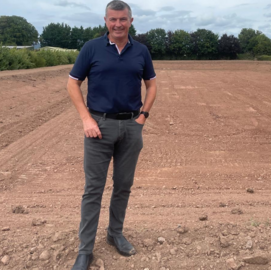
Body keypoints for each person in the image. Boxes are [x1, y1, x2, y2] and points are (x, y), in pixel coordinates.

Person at [67, 1, 157, 269]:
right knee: (93, 189)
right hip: (98, 127)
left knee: (123, 185)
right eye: (113, 19)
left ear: (131, 20)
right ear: (105, 20)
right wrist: (86, 118)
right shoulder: (92, 48)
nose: (118, 24)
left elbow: (151, 85)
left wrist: (142, 117)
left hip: (131, 127)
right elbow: (73, 83)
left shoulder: (140, 51)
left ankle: (115, 234)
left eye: (123, 19)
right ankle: (85, 249)